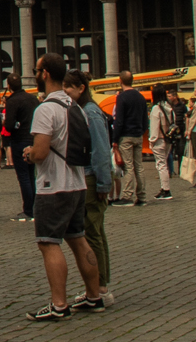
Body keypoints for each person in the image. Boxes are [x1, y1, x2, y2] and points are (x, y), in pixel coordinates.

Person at [21, 53, 105, 320]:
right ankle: (94, 296)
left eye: (37, 70)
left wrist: (29, 153)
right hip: (78, 184)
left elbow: (42, 152)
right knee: (79, 240)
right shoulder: (76, 107)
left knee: (48, 243)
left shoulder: (45, 109)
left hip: (52, 186)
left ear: (44, 73)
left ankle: (59, 305)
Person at [73, 73, 116, 306]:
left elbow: (101, 150)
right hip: (90, 176)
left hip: (92, 177)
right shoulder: (86, 110)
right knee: (95, 231)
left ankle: (99, 287)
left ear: (80, 88)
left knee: (92, 233)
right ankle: (100, 284)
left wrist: (103, 183)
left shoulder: (90, 112)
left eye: (68, 88)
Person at [110, 71, 148, 206]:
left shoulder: (122, 97)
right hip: (138, 135)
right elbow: (145, 118)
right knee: (139, 166)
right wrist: (141, 131)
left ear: (120, 81)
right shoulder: (140, 97)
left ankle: (127, 196)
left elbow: (119, 120)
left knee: (128, 166)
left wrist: (115, 139)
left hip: (126, 135)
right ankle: (142, 196)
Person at [5, 74, 39, 220]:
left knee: (23, 176)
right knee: (32, 175)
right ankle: (35, 207)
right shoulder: (32, 98)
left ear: (9, 86)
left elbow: (9, 124)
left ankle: (28, 209)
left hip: (19, 140)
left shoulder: (12, 101)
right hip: (33, 139)